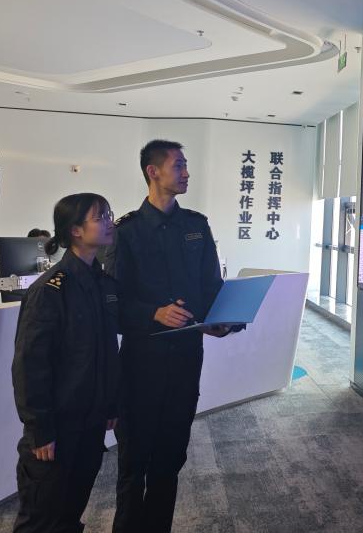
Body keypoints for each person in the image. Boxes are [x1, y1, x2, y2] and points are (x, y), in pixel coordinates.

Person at [110, 140, 241, 533]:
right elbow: (112, 302)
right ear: (153, 172)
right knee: (133, 464)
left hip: (186, 360)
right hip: (141, 365)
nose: (186, 173)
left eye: (186, 165)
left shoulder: (197, 226)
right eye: (179, 165)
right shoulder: (126, 232)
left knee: (169, 462)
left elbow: (211, 287)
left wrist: (221, 321)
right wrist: (153, 313)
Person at [11, 193, 120, 533]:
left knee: (69, 516)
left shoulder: (102, 283)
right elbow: (30, 366)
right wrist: (40, 429)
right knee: (40, 521)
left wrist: (110, 404)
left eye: (109, 215)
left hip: (91, 425)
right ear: (75, 230)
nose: (109, 223)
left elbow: (107, 352)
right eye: (100, 217)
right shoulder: (50, 290)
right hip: (57, 430)